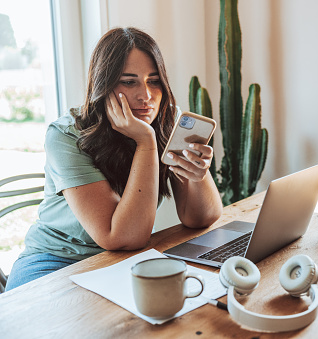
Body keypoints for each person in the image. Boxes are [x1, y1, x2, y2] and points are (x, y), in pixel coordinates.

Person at [5, 27, 223, 291]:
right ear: (103, 85)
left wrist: (197, 175)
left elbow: (201, 218)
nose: (146, 96)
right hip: (55, 261)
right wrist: (146, 142)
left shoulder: (164, 121)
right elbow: (121, 237)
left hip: (125, 260)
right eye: (129, 82)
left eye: (154, 81)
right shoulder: (65, 135)